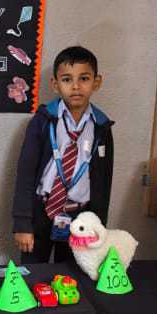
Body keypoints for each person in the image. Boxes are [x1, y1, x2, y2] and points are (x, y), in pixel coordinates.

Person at [12, 47, 114, 264]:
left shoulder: (101, 127)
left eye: (84, 78)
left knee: (71, 272)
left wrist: (98, 225)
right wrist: (22, 223)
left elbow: (104, 181)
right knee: (33, 271)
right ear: (55, 84)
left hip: (80, 216)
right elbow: (25, 173)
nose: (76, 86)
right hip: (42, 211)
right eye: (67, 79)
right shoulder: (43, 121)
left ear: (96, 82)